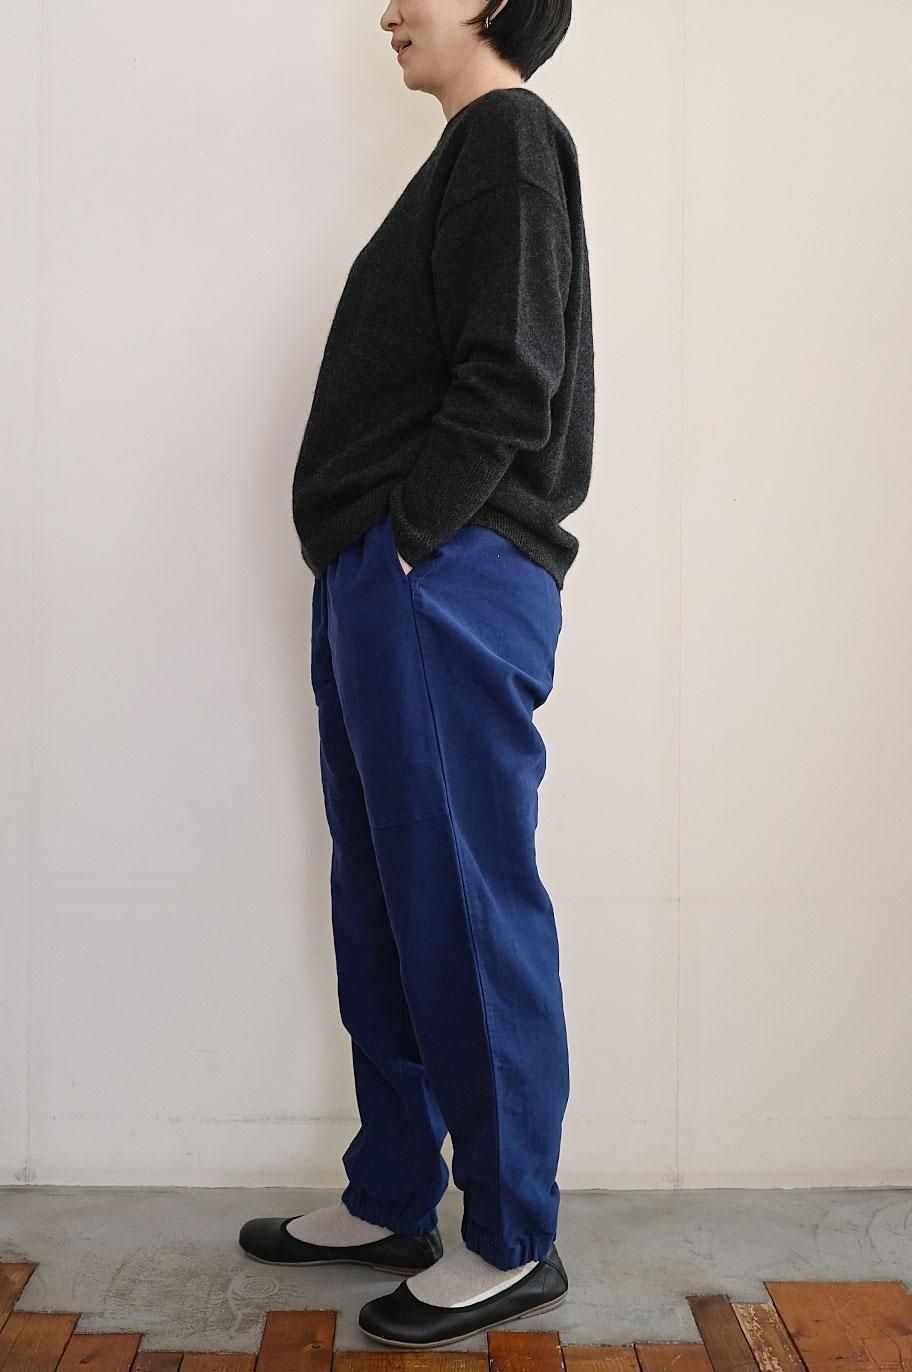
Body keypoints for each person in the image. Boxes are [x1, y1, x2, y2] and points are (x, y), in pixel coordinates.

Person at [239, 0, 594, 1348]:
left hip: (442, 574)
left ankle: (511, 1234)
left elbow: (515, 376)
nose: (389, 9)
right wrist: (373, 557)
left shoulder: (509, 137)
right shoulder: (466, 155)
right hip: (389, 574)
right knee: (386, 900)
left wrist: (409, 538)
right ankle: (394, 1192)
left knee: (463, 903)